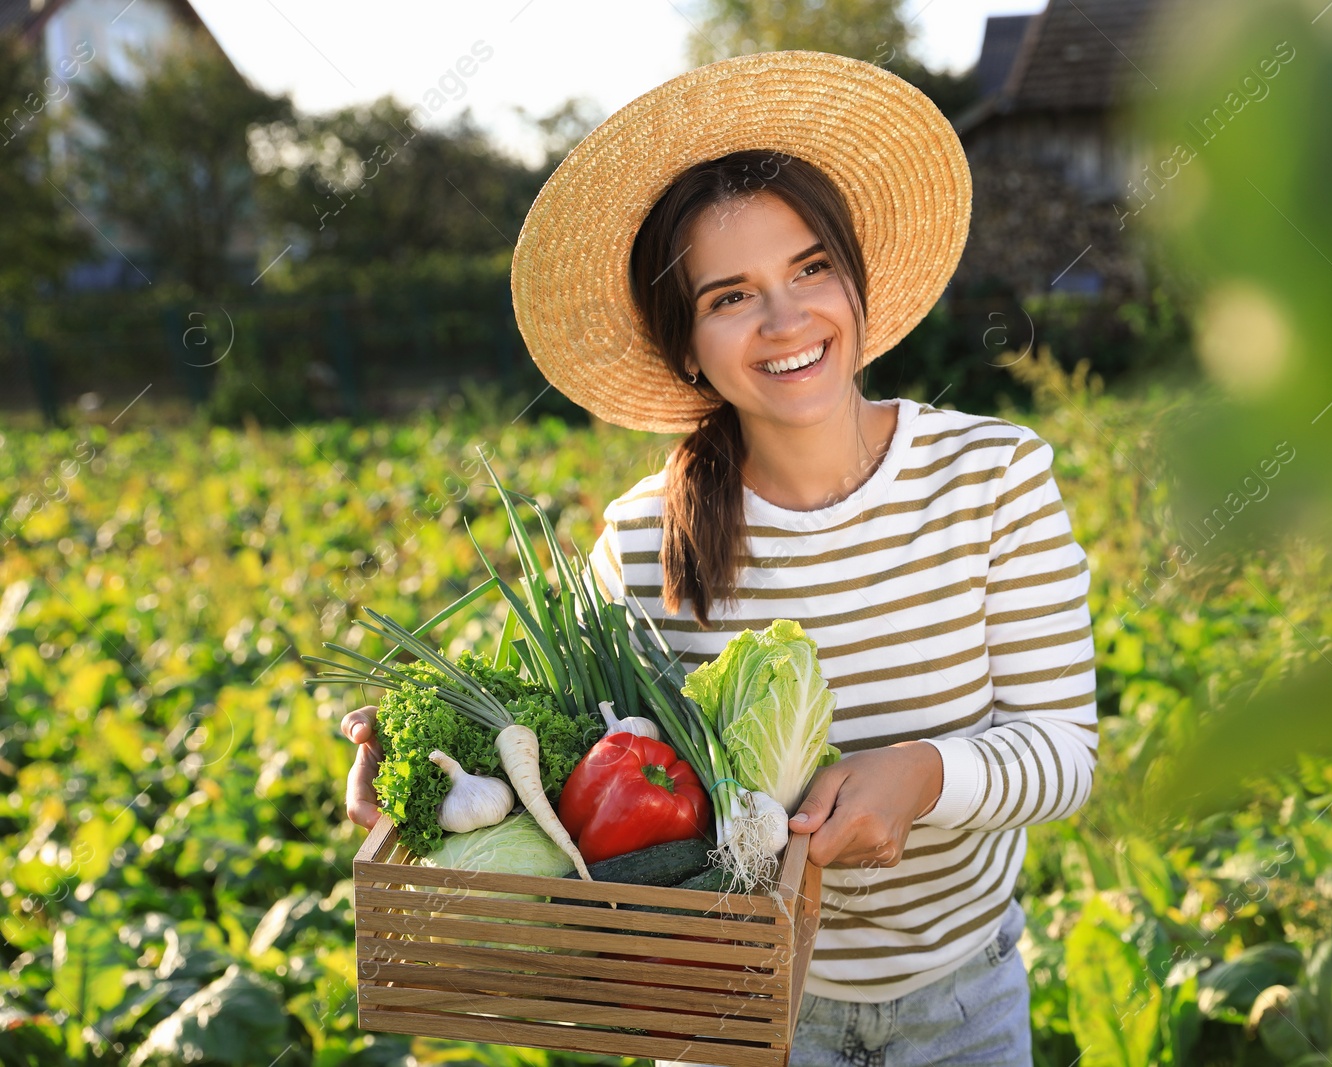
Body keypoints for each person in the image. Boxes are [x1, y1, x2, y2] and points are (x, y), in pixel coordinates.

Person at [341, 50, 1099, 1067]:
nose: (786, 320)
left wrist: (923, 772)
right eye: (730, 295)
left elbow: (1064, 751)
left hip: (959, 1003)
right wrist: (427, 779)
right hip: (721, 1007)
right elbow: (560, 760)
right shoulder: (644, 539)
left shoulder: (991, 476)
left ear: (856, 278)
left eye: (810, 268)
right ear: (687, 343)